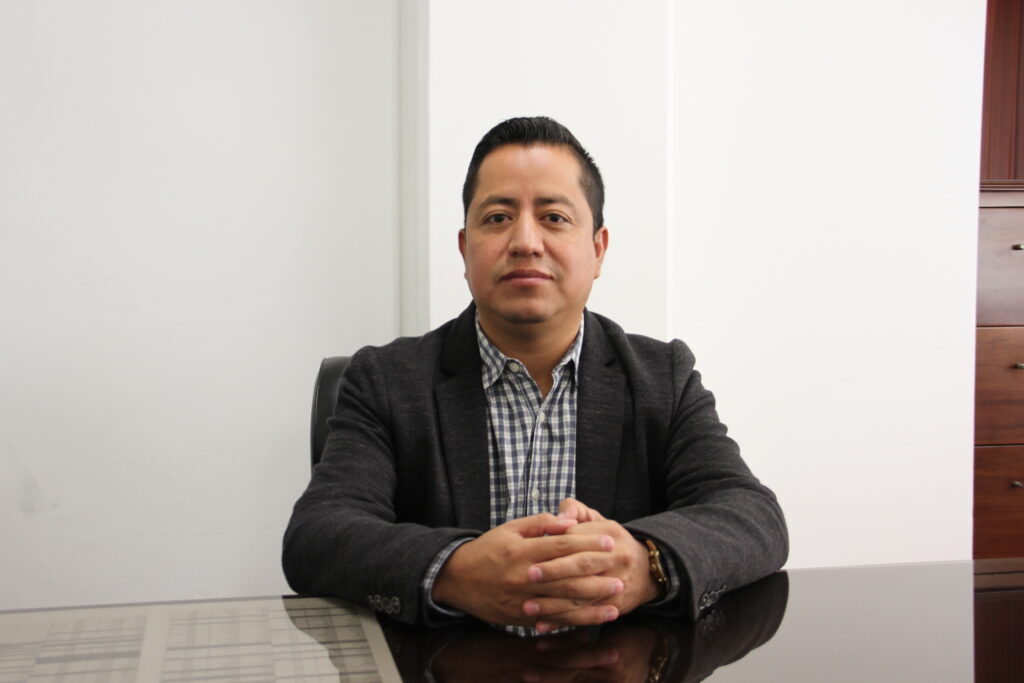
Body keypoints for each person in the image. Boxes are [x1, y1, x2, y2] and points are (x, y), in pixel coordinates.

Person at [283, 116, 788, 634]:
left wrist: (645, 563)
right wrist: (455, 570)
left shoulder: (663, 378)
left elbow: (752, 516)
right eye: (498, 217)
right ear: (464, 249)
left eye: (554, 217)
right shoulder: (386, 381)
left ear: (597, 249)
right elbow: (318, 535)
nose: (525, 241)